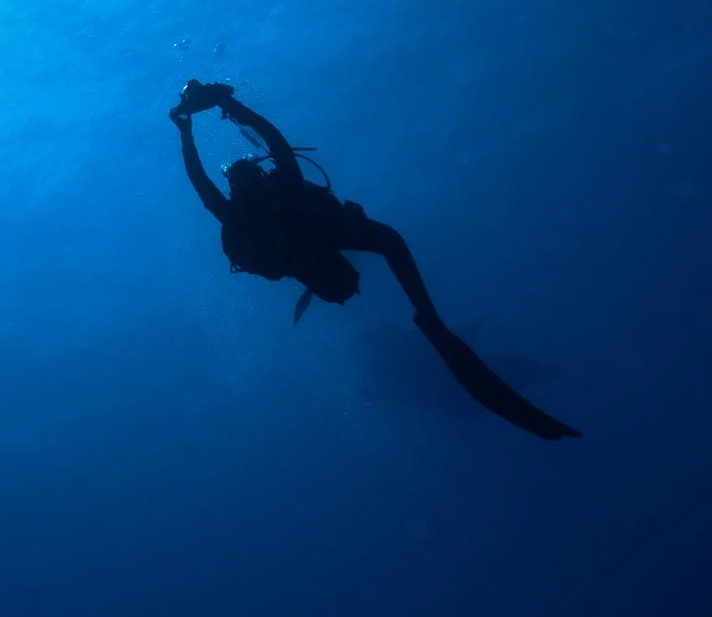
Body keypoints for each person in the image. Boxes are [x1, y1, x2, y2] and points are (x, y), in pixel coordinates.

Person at [170, 80, 580, 441]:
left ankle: (425, 317)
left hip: (310, 257)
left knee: (383, 244)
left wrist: (187, 130)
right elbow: (273, 142)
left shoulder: (242, 219)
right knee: (387, 243)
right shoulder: (287, 193)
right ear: (258, 177)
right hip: (321, 250)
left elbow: (201, 181)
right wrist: (232, 108)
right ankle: (427, 317)